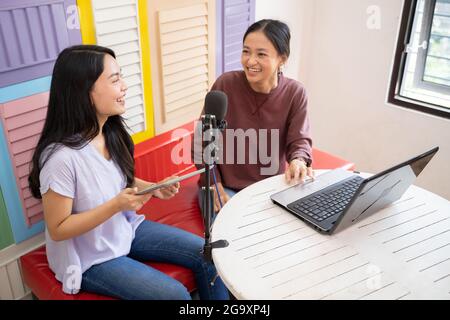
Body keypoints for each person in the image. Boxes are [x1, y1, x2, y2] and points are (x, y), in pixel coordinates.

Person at [28, 45, 229, 300]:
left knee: (209, 253)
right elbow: (58, 228)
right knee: (175, 296)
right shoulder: (60, 158)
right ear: (84, 90)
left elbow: (113, 179)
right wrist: (115, 205)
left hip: (124, 230)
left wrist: (152, 188)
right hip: (91, 257)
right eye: (115, 79)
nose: (124, 86)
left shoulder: (108, 133)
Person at [193, 19, 314, 212]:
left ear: (282, 59)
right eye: (246, 51)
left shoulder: (295, 93)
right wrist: (213, 184)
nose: (250, 61)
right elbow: (202, 141)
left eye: (261, 54)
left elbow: (299, 140)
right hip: (224, 186)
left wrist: (298, 160)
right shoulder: (225, 84)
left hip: (270, 187)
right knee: (230, 235)